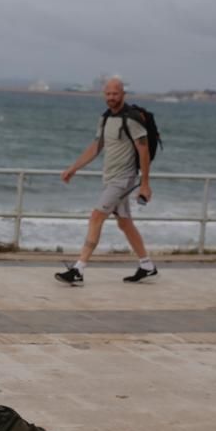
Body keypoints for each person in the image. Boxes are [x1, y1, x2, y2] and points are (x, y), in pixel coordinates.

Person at [56, 77, 158, 286]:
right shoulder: (104, 119)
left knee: (96, 217)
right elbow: (96, 147)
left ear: (123, 94)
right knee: (124, 223)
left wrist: (145, 184)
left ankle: (78, 269)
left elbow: (144, 150)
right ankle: (147, 265)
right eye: (108, 94)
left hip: (123, 179)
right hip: (110, 178)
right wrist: (73, 168)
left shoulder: (131, 119)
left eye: (115, 94)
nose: (111, 97)